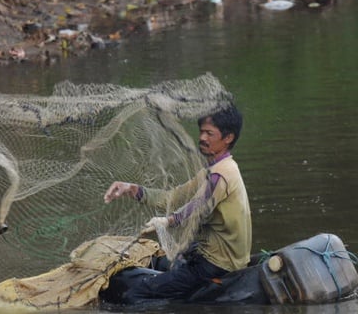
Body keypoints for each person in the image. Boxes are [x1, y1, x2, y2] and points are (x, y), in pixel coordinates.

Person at [100, 104, 251, 304]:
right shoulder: (214, 170)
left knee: (134, 294)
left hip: (217, 264)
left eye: (209, 133)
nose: (202, 138)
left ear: (228, 138)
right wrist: (131, 189)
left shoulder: (221, 174)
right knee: (164, 261)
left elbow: (196, 207)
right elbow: (173, 197)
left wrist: (167, 221)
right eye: (201, 132)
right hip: (213, 253)